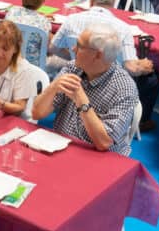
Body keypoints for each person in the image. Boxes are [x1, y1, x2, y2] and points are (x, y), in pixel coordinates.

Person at [33, 23, 138, 156]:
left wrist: (81, 100)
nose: (73, 48)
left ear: (98, 55)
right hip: (61, 146)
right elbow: (37, 113)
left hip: (99, 157)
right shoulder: (73, 68)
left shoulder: (124, 88)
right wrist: (53, 88)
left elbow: (103, 143)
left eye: (80, 46)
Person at [5, 0, 52, 67]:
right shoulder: (44, 21)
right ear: (43, 1)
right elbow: (48, 48)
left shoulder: (11, 12)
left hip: (10, 58)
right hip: (33, 65)